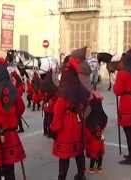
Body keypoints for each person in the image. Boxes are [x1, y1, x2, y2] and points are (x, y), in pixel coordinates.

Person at [50, 47, 92, 180]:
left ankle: (61, 178)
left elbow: (58, 111)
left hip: (66, 125)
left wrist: (54, 129)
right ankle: (81, 175)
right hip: (78, 122)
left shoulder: (64, 92)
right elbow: (86, 100)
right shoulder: (79, 87)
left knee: (64, 155)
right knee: (79, 152)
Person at [85, 90, 107, 174]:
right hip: (100, 137)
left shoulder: (90, 116)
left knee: (93, 153)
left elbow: (87, 128)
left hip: (92, 138)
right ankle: (99, 167)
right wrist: (100, 130)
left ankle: (91, 168)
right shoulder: (102, 114)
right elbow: (105, 122)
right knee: (100, 153)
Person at [40, 69, 58, 137]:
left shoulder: (44, 83)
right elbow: (56, 94)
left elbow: (41, 92)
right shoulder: (53, 84)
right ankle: (50, 132)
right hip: (51, 104)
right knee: (50, 118)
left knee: (46, 117)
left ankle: (45, 131)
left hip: (45, 103)